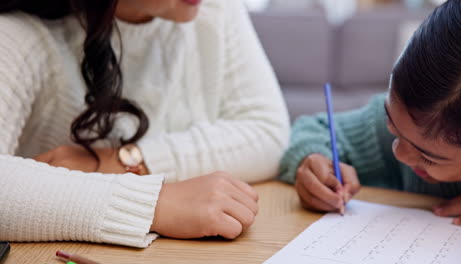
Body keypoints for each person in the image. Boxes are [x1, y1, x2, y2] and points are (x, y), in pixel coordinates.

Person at [0, 0, 290, 247]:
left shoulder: (214, 8)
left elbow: (267, 132)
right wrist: (154, 204)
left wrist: (121, 162)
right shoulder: (20, 31)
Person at [279, 0, 461, 226]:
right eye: (392, 125)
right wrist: (311, 160)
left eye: (427, 157)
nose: (399, 153)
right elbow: (313, 129)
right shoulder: (397, 126)